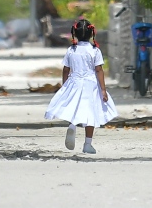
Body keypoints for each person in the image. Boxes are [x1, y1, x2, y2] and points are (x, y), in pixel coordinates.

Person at [44, 18, 117, 154]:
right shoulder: (95, 51)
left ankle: (72, 125)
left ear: (75, 34)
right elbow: (99, 70)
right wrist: (103, 89)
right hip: (91, 84)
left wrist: (65, 86)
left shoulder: (72, 50)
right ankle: (87, 144)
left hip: (74, 81)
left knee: (74, 107)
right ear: (91, 34)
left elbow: (66, 69)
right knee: (91, 114)